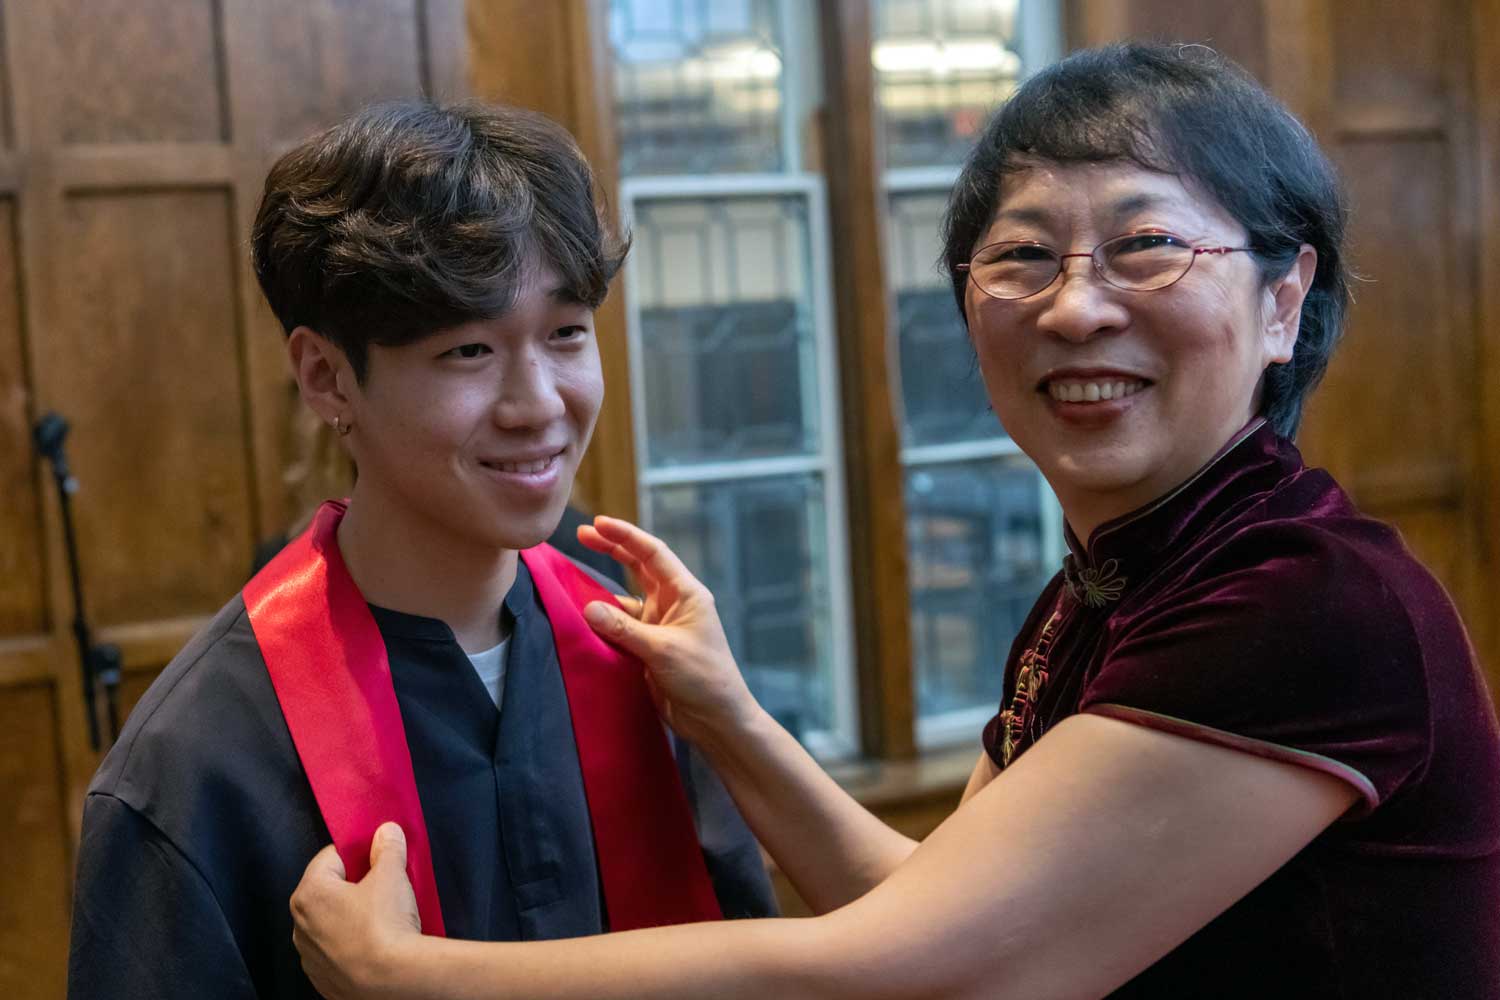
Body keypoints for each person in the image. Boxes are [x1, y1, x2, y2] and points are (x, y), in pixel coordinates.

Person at [289, 43, 1500, 999]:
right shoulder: (1116, 579)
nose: (1076, 308)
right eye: (1022, 255)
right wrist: (727, 716)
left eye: (1145, 246)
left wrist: (417, 977)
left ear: (1286, 296)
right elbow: (941, 908)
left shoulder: (1301, 597)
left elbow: (927, 968)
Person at [66, 100, 775, 1000]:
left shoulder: (650, 666)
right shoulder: (203, 754)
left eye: (566, 334)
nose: (538, 404)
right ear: (327, 376)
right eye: (470, 349)